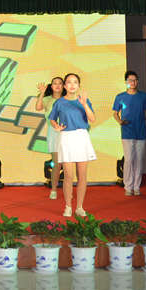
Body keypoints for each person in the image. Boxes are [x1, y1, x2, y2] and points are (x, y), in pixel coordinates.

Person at [48, 73, 96, 218]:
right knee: (68, 176)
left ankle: (79, 207)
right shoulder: (60, 102)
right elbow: (52, 119)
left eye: (75, 82)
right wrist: (56, 126)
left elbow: (92, 119)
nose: (72, 85)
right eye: (69, 82)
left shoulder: (84, 101)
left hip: (81, 137)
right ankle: (68, 206)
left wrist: (84, 104)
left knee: (82, 176)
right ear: (65, 86)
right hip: (66, 137)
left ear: (79, 85)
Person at [112, 70, 146, 197]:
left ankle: (136, 186)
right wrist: (120, 121)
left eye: (135, 80)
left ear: (137, 81)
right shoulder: (120, 97)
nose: (133, 82)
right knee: (129, 159)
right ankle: (128, 186)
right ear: (126, 82)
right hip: (127, 131)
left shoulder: (144, 96)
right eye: (130, 80)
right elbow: (115, 113)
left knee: (139, 160)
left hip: (140, 131)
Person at [34, 77, 65, 200]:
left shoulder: (66, 99)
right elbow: (38, 107)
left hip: (68, 132)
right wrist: (42, 93)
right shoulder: (47, 99)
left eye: (60, 83)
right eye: (54, 83)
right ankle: (53, 189)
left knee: (68, 164)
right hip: (54, 132)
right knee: (57, 163)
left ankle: (68, 189)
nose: (57, 85)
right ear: (51, 86)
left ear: (63, 86)